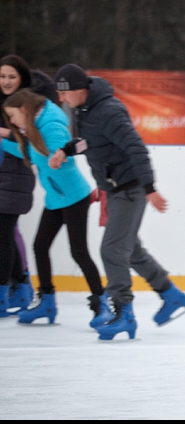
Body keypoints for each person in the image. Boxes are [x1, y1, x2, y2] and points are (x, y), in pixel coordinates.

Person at [48, 63, 185, 341]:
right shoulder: (86, 109)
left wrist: (150, 188)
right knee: (130, 249)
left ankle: (124, 314)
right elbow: (90, 142)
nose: (61, 99)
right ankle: (171, 295)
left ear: (79, 90)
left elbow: (135, 147)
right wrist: (66, 150)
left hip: (130, 189)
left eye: (64, 93)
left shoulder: (109, 111)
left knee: (112, 250)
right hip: (115, 190)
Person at [1, 89, 114, 326]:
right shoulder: (33, 129)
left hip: (73, 196)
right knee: (40, 247)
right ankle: (47, 303)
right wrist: (3, 142)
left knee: (79, 252)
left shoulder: (50, 125)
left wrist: (57, 156)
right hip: (55, 198)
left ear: (24, 110)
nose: (11, 121)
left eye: (12, 115)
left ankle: (102, 304)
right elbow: (30, 153)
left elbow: (66, 153)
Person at [0, 55, 36, 317]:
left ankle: (12, 289)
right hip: (4, 176)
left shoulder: (26, 103)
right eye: (2, 76)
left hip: (15, 177)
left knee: (5, 235)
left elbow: (28, 135)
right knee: (7, 234)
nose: (6, 81)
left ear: (22, 78)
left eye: (12, 76)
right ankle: (20, 286)